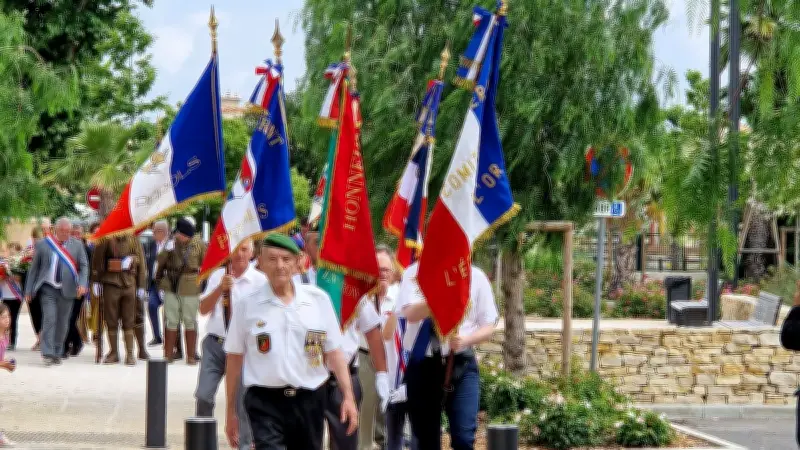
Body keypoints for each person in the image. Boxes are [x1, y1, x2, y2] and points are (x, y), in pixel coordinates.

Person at [224, 234, 359, 450]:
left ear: (298, 262)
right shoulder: (247, 305)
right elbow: (233, 358)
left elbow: (334, 353)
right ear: (259, 262)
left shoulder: (318, 301)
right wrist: (230, 411)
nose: (280, 266)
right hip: (265, 401)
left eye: (286, 259)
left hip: (309, 399)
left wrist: (348, 397)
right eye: (273, 259)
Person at [397, 262, 498, 450]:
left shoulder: (475, 276)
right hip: (423, 365)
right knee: (426, 441)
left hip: (460, 363)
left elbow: (488, 325)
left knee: (464, 437)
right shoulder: (414, 273)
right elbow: (409, 313)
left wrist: (466, 339)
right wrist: (439, 294)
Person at [195, 239, 264, 450]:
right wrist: (219, 288)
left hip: (243, 350)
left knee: (242, 402)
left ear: (252, 253)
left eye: (245, 249)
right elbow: (203, 309)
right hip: (216, 344)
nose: (240, 254)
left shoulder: (260, 281)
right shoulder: (218, 274)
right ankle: (203, 441)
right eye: (236, 249)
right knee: (203, 395)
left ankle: (244, 444)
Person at [24, 217, 89, 366]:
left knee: (63, 322)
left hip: (68, 290)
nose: (65, 233)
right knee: (49, 318)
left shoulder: (77, 245)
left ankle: (58, 351)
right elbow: (34, 269)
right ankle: (47, 352)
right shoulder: (43, 244)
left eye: (68, 231)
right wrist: (28, 289)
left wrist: (83, 283)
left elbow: (84, 266)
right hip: (48, 288)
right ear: (55, 230)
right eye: (62, 231)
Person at [362, 246, 405, 450]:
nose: (381, 274)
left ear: (394, 271)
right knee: (366, 419)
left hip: (395, 364)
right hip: (366, 359)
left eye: (386, 270)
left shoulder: (400, 297)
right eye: (376, 269)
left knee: (391, 424)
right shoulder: (361, 296)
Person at [155, 217, 206, 365]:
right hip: (171, 284)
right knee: (171, 319)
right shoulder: (171, 244)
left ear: (186, 234)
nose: (177, 236)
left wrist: (203, 284)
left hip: (190, 285)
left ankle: (190, 356)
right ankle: (168, 354)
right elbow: (160, 261)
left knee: (190, 320)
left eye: (180, 234)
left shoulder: (199, 244)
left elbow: (206, 263)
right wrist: (166, 249)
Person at [91, 234, 148, 365]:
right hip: (110, 282)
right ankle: (114, 352)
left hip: (129, 283)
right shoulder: (106, 239)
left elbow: (142, 264)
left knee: (129, 319)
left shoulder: (134, 239)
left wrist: (141, 285)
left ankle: (130, 354)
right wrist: (96, 281)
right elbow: (97, 260)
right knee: (111, 319)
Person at [63, 223, 89, 357]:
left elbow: (87, 269)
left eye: (78, 233)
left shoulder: (85, 248)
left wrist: (85, 285)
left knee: (71, 318)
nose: (76, 236)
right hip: (64, 288)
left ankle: (73, 343)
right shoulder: (64, 247)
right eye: (74, 233)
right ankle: (73, 342)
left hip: (79, 289)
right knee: (65, 317)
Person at [144, 221, 169, 346]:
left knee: (169, 311)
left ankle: (170, 337)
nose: (153, 234)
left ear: (162, 232)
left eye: (155, 231)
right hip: (154, 283)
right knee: (152, 306)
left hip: (167, 284)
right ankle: (157, 336)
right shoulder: (151, 245)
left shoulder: (171, 245)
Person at [0, 303, 16, 446]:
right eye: (3, 317)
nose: (7, 320)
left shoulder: (5, 335)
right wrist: (4, 364)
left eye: (8, 316)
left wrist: (6, 365)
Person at [0, 246, 22, 352]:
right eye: (9, 251)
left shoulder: (19, 265)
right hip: (5, 296)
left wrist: (13, 276)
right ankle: (5, 340)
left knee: (13, 319)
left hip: (16, 297)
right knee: (4, 319)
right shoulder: (3, 264)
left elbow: (20, 279)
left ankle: (12, 341)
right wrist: (3, 276)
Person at [28, 227, 44, 351]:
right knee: (34, 314)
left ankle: (44, 340)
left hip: (44, 288)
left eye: (39, 238)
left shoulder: (48, 251)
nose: (36, 241)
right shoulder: (29, 252)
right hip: (32, 289)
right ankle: (39, 339)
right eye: (35, 238)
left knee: (44, 314)